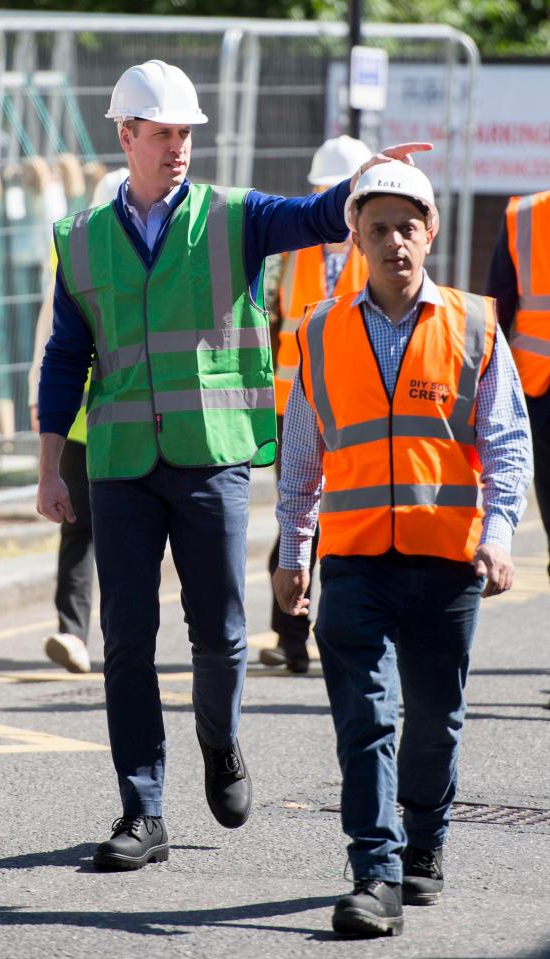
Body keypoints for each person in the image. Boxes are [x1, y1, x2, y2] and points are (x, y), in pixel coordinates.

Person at [36, 58, 429, 871]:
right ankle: (142, 808)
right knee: (126, 637)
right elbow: (64, 355)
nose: (178, 147)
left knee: (218, 635)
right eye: (162, 133)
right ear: (126, 136)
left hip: (210, 456)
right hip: (118, 462)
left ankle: (219, 743)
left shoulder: (234, 216)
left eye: (186, 133)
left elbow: (320, 217)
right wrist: (48, 466)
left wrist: (366, 181)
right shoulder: (78, 237)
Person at [272, 160, 532, 937]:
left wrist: (496, 533)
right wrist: (293, 551)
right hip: (352, 561)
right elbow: (300, 455)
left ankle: (424, 843)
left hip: (446, 561)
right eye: (377, 228)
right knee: (366, 715)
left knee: (435, 717)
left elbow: (506, 442)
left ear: (431, 232)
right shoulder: (318, 329)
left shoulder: (474, 325)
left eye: (406, 227)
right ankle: (373, 868)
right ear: (352, 236)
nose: (393, 242)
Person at [261, 135, 372, 674]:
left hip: (357, 408)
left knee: (345, 521)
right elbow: (269, 324)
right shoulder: (290, 251)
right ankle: (291, 634)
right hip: (292, 406)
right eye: (327, 194)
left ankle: (340, 631)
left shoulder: (379, 247)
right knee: (297, 515)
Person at [28, 168, 128, 674]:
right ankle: (73, 632)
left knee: (124, 533)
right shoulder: (73, 253)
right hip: (84, 420)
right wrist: (37, 396)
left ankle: (119, 636)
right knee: (78, 525)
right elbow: (50, 331)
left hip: (130, 421)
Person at [485, 190, 550, 579]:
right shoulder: (521, 215)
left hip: (538, 383)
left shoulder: (525, 215)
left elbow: (499, 304)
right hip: (539, 386)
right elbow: (497, 308)